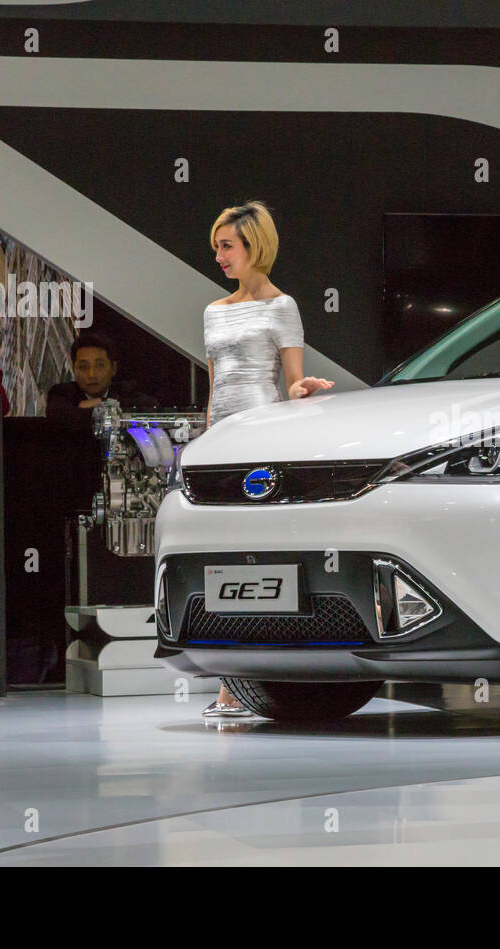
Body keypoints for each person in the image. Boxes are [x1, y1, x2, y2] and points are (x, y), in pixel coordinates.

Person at [201, 200, 334, 718]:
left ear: (254, 246)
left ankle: (242, 686)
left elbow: (291, 378)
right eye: (216, 247)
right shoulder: (213, 310)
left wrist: (303, 392)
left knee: (253, 560)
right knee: (221, 560)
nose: (219, 256)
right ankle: (233, 683)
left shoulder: (283, 306)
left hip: (262, 437)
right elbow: (214, 386)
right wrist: (205, 439)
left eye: (227, 246)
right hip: (221, 443)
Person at [46, 331, 159, 436]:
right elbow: (62, 419)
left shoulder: (125, 390)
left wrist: (102, 402)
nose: (91, 374)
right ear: (74, 369)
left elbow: (151, 408)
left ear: (113, 368)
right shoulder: (63, 392)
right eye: (83, 367)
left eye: (99, 366)